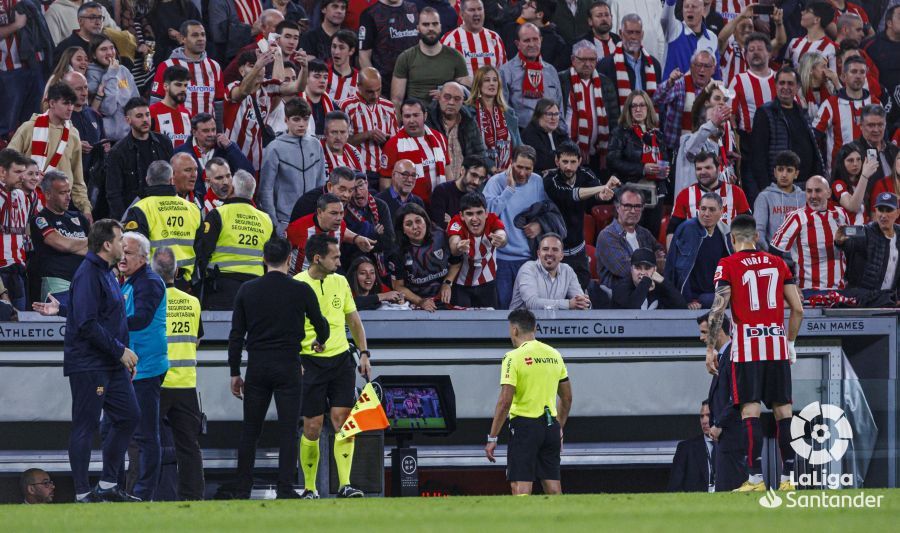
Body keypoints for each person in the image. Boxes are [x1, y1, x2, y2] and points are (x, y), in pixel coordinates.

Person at [33, 219, 141, 502]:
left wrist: (62, 309)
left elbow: (92, 311)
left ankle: (107, 485)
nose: (123, 246)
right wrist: (120, 350)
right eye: (120, 240)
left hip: (110, 363)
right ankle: (82, 492)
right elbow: (87, 324)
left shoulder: (105, 272)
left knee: (129, 416)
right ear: (107, 245)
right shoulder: (89, 273)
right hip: (91, 363)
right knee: (86, 424)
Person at [705, 214, 804, 492]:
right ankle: (789, 479)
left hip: (748, 347)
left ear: (732, 238)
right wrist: (791, 343)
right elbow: (797, 309)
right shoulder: (778, 263)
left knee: (750, 410)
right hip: (776, 345)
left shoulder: (727, 264)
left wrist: (711, 348)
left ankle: (756, 478)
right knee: (784, 411)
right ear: (756, 237)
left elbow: (717, 309)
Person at [228, 236, 329, 499]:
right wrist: (320, 342)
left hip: (258, 366)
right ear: (289, 260)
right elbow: (322, 325)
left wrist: (234, 372)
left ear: (263, 259)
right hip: (289, 366)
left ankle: (242, 489)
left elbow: (236, 335)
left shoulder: (247, 290)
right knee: (287, 430)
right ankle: (285, 488)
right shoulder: (301, 290)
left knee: (250, 430)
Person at [295, 233, 372, 499]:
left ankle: (345, 484)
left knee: (343, 421)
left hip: (340, 360)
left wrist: (364, 353)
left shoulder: (341, 282)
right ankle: (309, 487)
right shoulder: (296, 284)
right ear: (318, 258)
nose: (340, 261)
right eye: (335, 256)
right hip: (309, 363)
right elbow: (288, 328)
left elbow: (354, 320)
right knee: (312, 427)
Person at [484, 309, 572, 496]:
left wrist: (492, 437)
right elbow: (567, 397)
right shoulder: (554, 354)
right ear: (535, 328)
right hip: (550, 426)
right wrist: (559, 428)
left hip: (524, 426)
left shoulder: (512, 357)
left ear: (514, 330)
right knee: (553, 486)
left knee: (520, 486)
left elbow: (505, 402)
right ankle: (560, 523)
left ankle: (524, 525)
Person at [116, 232, 168, 501]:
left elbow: (142, 319)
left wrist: (105, 326)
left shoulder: (147, 282)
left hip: (145, 369)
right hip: (133, 368)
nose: (122, 257)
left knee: (146, 435)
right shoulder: (129, 282)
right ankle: (121, 488)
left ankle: (144, 493)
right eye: (121, 251)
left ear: (143, 257)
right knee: (121, 432)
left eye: (129, 253)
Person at [152, 247, 205, 501]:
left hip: (157, 382)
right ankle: (193, 496)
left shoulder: (150, 299)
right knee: (189, 447)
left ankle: (143, 493)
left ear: (152, 270)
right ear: (176, 271)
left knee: (146, 443)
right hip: (185, 383)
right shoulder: (192, 302)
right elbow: (197, 340)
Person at [9, 84, 92, 219]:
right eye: (65, 103)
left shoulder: (73, 134)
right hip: (26, 204)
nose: (70, 108)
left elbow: (77, 178)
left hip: (60, 207)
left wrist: (85, 208)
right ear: (52, 103)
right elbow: (7, 164)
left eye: (72, 103)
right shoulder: (28, 128)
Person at [194, 170, 274, 309]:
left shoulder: (218, 214)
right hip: (256, 286)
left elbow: (204, 250)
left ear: (232, 188)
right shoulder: (266, 219)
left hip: (222, 287)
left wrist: (198, 281)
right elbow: (273, 257)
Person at [543, 141, 616, 287]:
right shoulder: (550, 179)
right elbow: (572, 195)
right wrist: (602, 188)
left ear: (580, 161)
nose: (569, 167)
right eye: (564, 162)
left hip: (578, 251)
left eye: (573, 162)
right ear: (557, 161)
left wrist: (602, 195)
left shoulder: (586, 173)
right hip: (554, 253)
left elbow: (596, 191)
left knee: (581, 295)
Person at [483, 145, 548, 309]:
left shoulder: (537, 181)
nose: (522, 173)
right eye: (519, 167)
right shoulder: (496, 182)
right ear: (511, 163)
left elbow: (547, 211)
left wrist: (540, 225)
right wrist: (509, 189)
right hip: (501, 259)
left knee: (529, 310)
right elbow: (487, 214)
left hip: (529, 259)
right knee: (504, 310)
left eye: (528, 169)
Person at [123, 160, 202, 289]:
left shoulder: (140, 208)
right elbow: (201, 250)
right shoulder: (193, 209)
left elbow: (134, 250)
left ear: (147, 179)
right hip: (186, 283)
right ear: (171, 180)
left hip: (151, 283)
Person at [750, 67, 824, 202]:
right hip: (779, 189)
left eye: (790, 83)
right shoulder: (765, 112)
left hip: (804, 187)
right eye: (782, 83)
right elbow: (758, 156)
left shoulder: (802, 112)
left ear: (798, 87)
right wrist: (767, 190)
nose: (786, 87)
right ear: (776, 85)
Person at [771, 175, 851, 298]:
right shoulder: (796, 217)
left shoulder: (841, 214)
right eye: (809, 191)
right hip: (809, 292)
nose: (813, 196)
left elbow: (850, 251)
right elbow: (773, 254)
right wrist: (788, 284)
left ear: (828, 193)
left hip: (840, 291)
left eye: (818, 191)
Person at [607, 90, 669, 238]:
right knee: (629, 237)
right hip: (630, 192)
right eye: (634, 106)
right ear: (628, 110)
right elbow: (612, 161)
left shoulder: (658, 135)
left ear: (648, 109)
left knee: (650, 238)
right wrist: (642, 169)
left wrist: (665, 171)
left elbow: (665, 159)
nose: (638, 109)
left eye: (642, 105)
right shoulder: (620, 133)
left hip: (656, 192)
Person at [259, 98, 326, 234]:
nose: (302, 124)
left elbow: (321, 184)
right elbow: (266, 190)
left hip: (312, 220)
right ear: (286, 120)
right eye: (296, 119)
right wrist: (274, 225)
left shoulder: (316, 145)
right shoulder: (274, 148)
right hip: (285, 221)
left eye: (305, 119)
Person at [105, 98, 175, 220]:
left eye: (147, 115)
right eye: (139, 116)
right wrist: (124, 221)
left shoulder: (164, 142)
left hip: (164, 212)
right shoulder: (117, 152)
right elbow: (114, 193)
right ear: (128, 120)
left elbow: (173, 179)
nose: (145, 120)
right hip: (134, 215)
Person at [698, 312, 745, 492]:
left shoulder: (734, 355)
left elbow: (737, 396)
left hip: (732, 436)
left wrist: (718, 424)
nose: (701, 338)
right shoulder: (725, 356)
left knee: (732, 491)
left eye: (704, 332)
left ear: (717, 331)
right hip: (726, 438)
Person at [665, 192, 733, 309]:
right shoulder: (689, 229)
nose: (706, 214)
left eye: (712, 210)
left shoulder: (724, 232)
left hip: (712, 295)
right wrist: (687, 300)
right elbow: (680, 270)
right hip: (692, 297)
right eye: (703, 209)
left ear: (721, 212)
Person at [391, 7, 469, 107]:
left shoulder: (456, 56)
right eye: (426, 24)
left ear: (440, 27)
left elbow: (467, 93)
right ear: (418, 28)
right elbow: (396, 101)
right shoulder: (405, 58)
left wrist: (446, 93)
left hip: (446, 116)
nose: (431, 28)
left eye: (435, 24)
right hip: (416, 118)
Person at [668, 151, 751, 245]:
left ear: (718, 168)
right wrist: (673, 257)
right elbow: (672, 231)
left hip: (728, 253)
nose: (703, 172)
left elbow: (749, 227)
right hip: (695, 254)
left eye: (708, 168)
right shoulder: (685, 194)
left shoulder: (736, 192)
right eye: (699, 169)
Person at [30, 171, 89, 301]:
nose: (68, 197)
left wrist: (71, 245)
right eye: (62, 193)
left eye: (68, 191)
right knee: (60, 320)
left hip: (85, 280)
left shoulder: (79, 217)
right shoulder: (40, 219)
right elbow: (61, 244)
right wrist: (89, 241)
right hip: (58, 283)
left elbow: (96, 249)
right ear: (48, 195)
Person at [389, 202, 460, 311]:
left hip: (445, 297)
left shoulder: (441, 236)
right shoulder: (397, 251)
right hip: (415, 302)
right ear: (402, 229)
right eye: (408, 224)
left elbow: (456, 262)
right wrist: (420, 301)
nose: (415, 227)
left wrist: (447, 283)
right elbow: (398, 286)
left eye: (418, 221)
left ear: (425, 221)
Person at [813, 56, 880, 171]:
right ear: (843, 76)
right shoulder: (830, 104)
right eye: (853, 72)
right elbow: (814, 138)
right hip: (838, 174)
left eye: (862, 72)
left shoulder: (875, 103)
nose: (858, 76)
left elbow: (883, 139)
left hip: (870, 174)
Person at [379, 98, 450, 204]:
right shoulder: (393, 145)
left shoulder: (439, 138)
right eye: (407, 116)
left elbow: (447, 171)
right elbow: (385, 184)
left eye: (416, 115)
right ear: (402, 118)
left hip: (440, 203)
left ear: (425, 115)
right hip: (410, 207)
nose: (411, 120)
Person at [559, 40, 618, 169]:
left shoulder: (605, 82)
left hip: (598, 154)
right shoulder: (561, 80)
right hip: (568, 155)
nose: (588, 64)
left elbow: (614, 119)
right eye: (583, 59)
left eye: (592, 60)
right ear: (573, 59)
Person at [836, 192, 900, 306]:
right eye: (880, 210)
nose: (883, 215)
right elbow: (849, 241)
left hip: (891, 303)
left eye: (888, 210)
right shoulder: (865, 231)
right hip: (864, 300)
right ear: (875, 212)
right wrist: (840, 242)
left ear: (898, 213)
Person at [286, 192, 375, 273]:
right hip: (299, 279)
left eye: (341, 213)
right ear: (320, 212)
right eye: (333, 213)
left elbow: (343, 233)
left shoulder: (341, 226)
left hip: (327, 278)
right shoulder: (296, 228)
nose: (339, 218)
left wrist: (356, 238)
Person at [151, 20, 224, 118]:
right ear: (182, 39)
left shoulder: (214, 66)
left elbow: (219, 103)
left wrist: (219, 130)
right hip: (177, 130)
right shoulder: (167, 66)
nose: (201, 39)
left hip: (207, 131)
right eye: (195, 35)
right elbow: (156, 101)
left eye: (203, 35)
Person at [595, 184, 664, 287]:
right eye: (627, 206)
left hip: (645, 289)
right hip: (617, 294)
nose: (633, 211)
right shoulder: (607, 236)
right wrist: (655, 262)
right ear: (618, 208)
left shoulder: (645, 233)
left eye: (637, 206)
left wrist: (657, 262)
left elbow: (662, 256)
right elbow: (626, 270)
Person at [172, 113, 254, 200]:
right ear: (194, 132)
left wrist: (230, 147)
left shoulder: (227, 148)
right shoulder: (180, 153)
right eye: (206, 131)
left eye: (213, 130)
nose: (211, 134)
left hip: (223, 206)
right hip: (192, 205)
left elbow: (248, 174)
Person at [447, 192, 507, 307]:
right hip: (461, 284)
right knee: (463, 323)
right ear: (461, 216)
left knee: (489, 322)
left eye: (479, 213)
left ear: (486, 213)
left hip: (487, 283)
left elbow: (502, 234)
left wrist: (501, 240)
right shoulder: (456, 222)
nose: (475, 219)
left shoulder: (493, 219)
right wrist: (458, 246)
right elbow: (453, 243)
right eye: (469, 214)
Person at [500, 23, 564, 130]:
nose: (532, 44)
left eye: (535, 39)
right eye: (526, 40)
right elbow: (504, 111)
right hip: (522, 135)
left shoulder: (551, 71)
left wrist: (562, 135)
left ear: (541, 40)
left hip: (552, 134)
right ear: (517, 44)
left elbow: (560, 108)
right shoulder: (505, 71)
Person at [0, 0, 48, 141]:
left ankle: (30, 159)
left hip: (37, 64)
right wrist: (16, 25)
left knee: (35, 122)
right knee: (6, 125)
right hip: (8, 69)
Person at [341, 67, 398, 183]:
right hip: (359, 172)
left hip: (386, 172)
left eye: (378, 90)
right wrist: (368, 135)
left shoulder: (389, 107)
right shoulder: (346, 106)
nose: (376, 95)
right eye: (370, 91)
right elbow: (341, 142)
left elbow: (396, 142)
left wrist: (388, 140)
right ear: (359, 86)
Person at [653, 49, 717, 152]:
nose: (702, 70)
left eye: (706, 66)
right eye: (698, 65)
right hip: (675, 149)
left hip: (704, 151)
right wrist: (669, 82)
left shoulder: (716, 90)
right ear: (691, 67)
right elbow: (656, 99)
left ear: (713, 69)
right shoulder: (679, 84)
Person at [597, 13, 661, 110]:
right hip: (620, 123)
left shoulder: (654, 64)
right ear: (620, 33)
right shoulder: (605, 65)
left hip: (649, 123)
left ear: (642, 34)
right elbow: (604, 104)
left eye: (637, 32)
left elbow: (658, 100)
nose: (633, 37)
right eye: (629, 32)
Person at [509, 232, 589, 310]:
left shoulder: (567, 271)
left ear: (561, 256)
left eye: (555, 250)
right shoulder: (528, 269)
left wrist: (583, 302)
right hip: (521, 322)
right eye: (545, 249)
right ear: (539, 254)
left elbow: (580, 300)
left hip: (551, 322)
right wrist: (568, 304)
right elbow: (532, 303)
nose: (550, 253)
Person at [467, 65, 521, 174]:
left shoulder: (509, 113)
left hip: (508, 172)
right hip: (479, 173)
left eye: (495, 80)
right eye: (487, 80)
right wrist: (491, 167)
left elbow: (519, 145)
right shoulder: (468, 113)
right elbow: (471, 148)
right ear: (478, 84)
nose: (492, 83)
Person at [426, 82, 486, 179]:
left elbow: (479, 154)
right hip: (435, 183)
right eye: (447, 97)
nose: (451, 102)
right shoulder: (427, 121)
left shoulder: (469, 121)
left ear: (462, 101)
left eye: (457, 99)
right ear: (439, 97)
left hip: (464, 184)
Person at [85, 35, 139, 141]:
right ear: (94, 55)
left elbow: (136, 101)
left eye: (111, 48)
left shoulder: (123, 70)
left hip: (129, 136)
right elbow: (108, 109)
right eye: (103, 49)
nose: (109, 52)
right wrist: (111, 74)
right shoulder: (91, 75)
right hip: (107, 139)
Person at [358, 0, 420, 92]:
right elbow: (363, 56)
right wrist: (375, 86)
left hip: (414, 83)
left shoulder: (413, 8)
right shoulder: (370, 14)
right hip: (385, 85)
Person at [441, 0, 506, 78]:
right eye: (472, 10)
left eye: (480, 9)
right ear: (461, 14)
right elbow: (442, 73)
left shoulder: (495, 38)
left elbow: (503, 72)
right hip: (463, 89)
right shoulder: (450, 39)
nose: (477, 13)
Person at [754, 150, 806, 249]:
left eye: (789, 170)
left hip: (801, 259)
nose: (784, 175)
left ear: (796, 174)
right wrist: (771, 254)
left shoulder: (804, 198)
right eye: (780, 169)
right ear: (775, 172)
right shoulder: (764, 197)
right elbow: (758, 231)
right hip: (774, 258)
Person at [0, 149, 32, 310]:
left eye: (23, 172)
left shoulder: (22, 197)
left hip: (18, 271)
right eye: (17, 172)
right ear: (2, 172)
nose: (23, 177)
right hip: (1, 271)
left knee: (20, 327)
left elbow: (24, 232)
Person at [611, 248, 687, 310]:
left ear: (655, 270)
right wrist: (645, 282)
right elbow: (632, 312)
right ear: (631, 269)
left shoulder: (660, 286)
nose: (642, 272)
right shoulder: (621, 287)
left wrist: (664, 282)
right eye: (638, 268)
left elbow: (682, 307)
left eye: (647, 268)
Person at [668, 400, 715, 492]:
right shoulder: (686, 448)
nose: (704, 421)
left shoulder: (731, 447)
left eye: (708, 415)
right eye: (702, 416)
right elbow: (674, 487)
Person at [429, 155, 488, 226]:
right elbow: (439, 225)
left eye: (481, 178)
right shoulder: (442, 191)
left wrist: (452, 223)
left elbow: (480, 227)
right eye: (473, 175)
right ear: (462, 170)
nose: (476, 182)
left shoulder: (479, 196)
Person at [852, 104, 899, 188]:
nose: (876, 130)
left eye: (880, 125)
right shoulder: (851, 152)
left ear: (885, 125)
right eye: (871, 125)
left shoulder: (895, 150)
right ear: (861, 126)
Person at [830, 143, 876, 225]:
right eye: (850, 160)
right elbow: (852, 207)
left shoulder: (862, 182)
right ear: (842, 163)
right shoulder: (838, 184)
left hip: (865, 231)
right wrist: (864, 176)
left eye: (858, 159)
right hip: (848, 233)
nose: (855, 164)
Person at [520, 99, 570, 174]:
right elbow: (543, 161)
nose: (553, 118)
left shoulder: (560, 133)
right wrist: (565, 159)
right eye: (549, 114)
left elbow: (573, 153)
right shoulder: (529, 134)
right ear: (538, 116)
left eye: (556, 114)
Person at [785, 2, 837, 71]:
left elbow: (833, 78)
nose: (802, 13)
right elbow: (785, 71)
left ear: (817, 19)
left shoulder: (831, 47)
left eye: (807, 11)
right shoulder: (794, 42)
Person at [150, 65, 192, 149]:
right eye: (178, 85)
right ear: (166, 86)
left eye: (185, 85)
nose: (183, 89)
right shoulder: (151, 112)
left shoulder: (186, 114)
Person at [321, 111, 363, 175]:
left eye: (343, 132)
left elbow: (362, 182)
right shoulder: (316, 152)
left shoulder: (355, 153)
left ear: (348, 133)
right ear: (325, 133)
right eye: (334, 132)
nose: (338, 137)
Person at [327, 29, 360, 104]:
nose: (336, 52)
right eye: (334, 46)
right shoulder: (323, 73)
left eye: (341, 48)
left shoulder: (359, 80)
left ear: (351, 51)